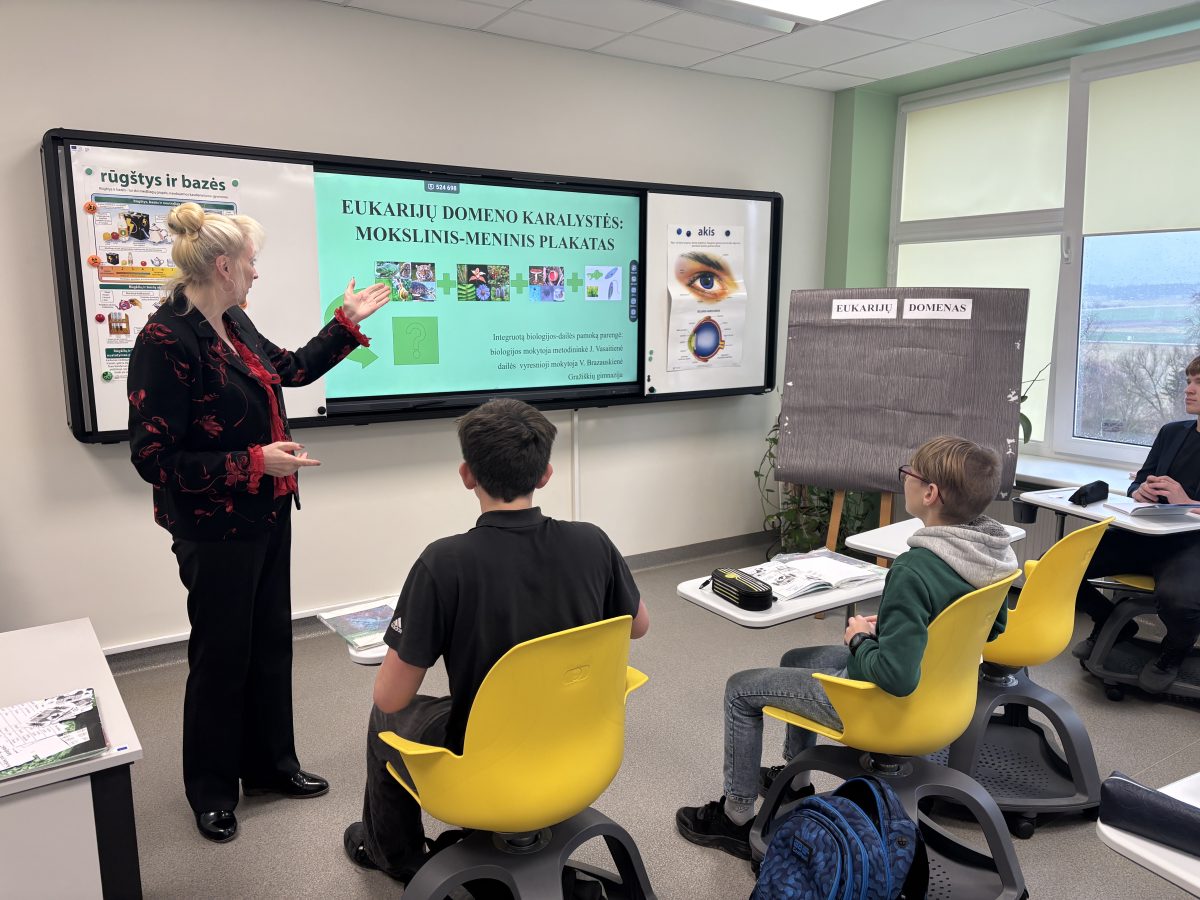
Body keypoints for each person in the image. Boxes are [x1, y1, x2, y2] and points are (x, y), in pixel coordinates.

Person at [127, 202, 390, 843]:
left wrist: (345, 324)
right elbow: (154, 458)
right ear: (223, 265)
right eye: (251, 261)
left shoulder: (233, 320)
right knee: (222, 656)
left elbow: (289, 370)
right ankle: (212, 791)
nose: (256, 272)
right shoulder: (166, 340)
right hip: (213, 527)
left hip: (267, 511)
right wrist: (254, 460)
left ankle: (271, 767)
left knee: (270, 644)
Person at [343, 398, 650, 883]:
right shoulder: (593, 542)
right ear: (545, 474)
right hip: (581, 744)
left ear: (467, 475)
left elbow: (391, 697)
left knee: (385, 716)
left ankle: (394, 855)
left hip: (483, 760)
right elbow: (638, 625)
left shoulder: (443, 563)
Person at [676, 436, 1017, 860]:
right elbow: (992, 627)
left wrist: (858, 638)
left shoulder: (915, 568)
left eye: (908, 473)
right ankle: (794, 781)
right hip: (944, 695)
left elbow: (895, 676)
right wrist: (901, 628)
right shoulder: (990, 554)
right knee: (795, 660)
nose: (904, 479)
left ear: (930, 493)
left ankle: (735, 817)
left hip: (885, 701)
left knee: (740, 688)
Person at [1072, 355, 1200, 693]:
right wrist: (1139, 491)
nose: (1188, 389)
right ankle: (1108, 622)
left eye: (1199, 383)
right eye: (1189, 381)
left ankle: (1172, 655)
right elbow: (1139, 481)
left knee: (1180, 601)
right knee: (1057, 567)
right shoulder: (1172, 433)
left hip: (1192, 546)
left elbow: (1186, 503)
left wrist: (1187, 501)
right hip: (1147, 535)